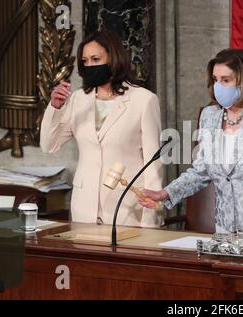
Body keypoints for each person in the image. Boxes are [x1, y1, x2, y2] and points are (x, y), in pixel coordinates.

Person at [139, 48, 243, 241]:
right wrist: (166, 193)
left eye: (226, 80)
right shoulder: (210, 116)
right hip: (224, 225)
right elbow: (202, 170)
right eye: (216, 79)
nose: (219, 86)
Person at [40, 30, 164, 228]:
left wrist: (151, 220)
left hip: (126, 207)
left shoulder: (144, 100)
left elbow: (153, 163)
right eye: (85, 61)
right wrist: (54, 107)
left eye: (95, 59)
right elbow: (49, 145)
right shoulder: (78, 100)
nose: (89, 65)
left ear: (113, 58)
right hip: (84, 207)